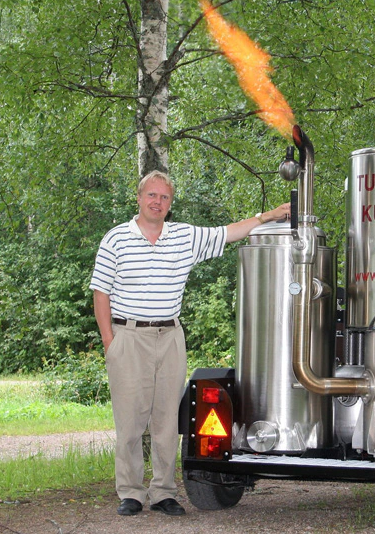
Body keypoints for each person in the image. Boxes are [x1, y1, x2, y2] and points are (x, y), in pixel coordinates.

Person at [89, 170, 289, 517]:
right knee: (131, 420)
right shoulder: (116, 239)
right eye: (151, 195)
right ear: (138, 198)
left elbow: (229, 233)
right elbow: (100, 292)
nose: (157, 202)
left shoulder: (184, 237)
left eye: (164, 197)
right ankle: (132, 493)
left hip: (169, 337)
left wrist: (268, 216)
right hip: (128, 337)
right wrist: (111, 342)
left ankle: (164, 492)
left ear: (171, 203)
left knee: (167, 420)